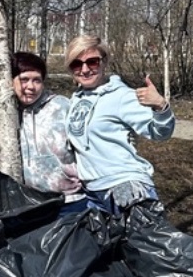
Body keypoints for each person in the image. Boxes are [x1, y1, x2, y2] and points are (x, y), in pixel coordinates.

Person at [64, 35, 175, 214]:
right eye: (76, 64)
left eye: (92, 62)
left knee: (146, 241)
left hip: (124, 187)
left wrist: (160, 106)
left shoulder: (122, 96)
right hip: (93, 192)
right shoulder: (76, 99)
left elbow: (160, 133)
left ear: (104, 62)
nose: (84, 70)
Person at [0, 52, 85, 215]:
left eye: (37, 80)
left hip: (69, 202)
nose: (31, 87)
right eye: (24, 80)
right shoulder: (1, 116)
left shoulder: (62, 107)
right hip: (24, 205)